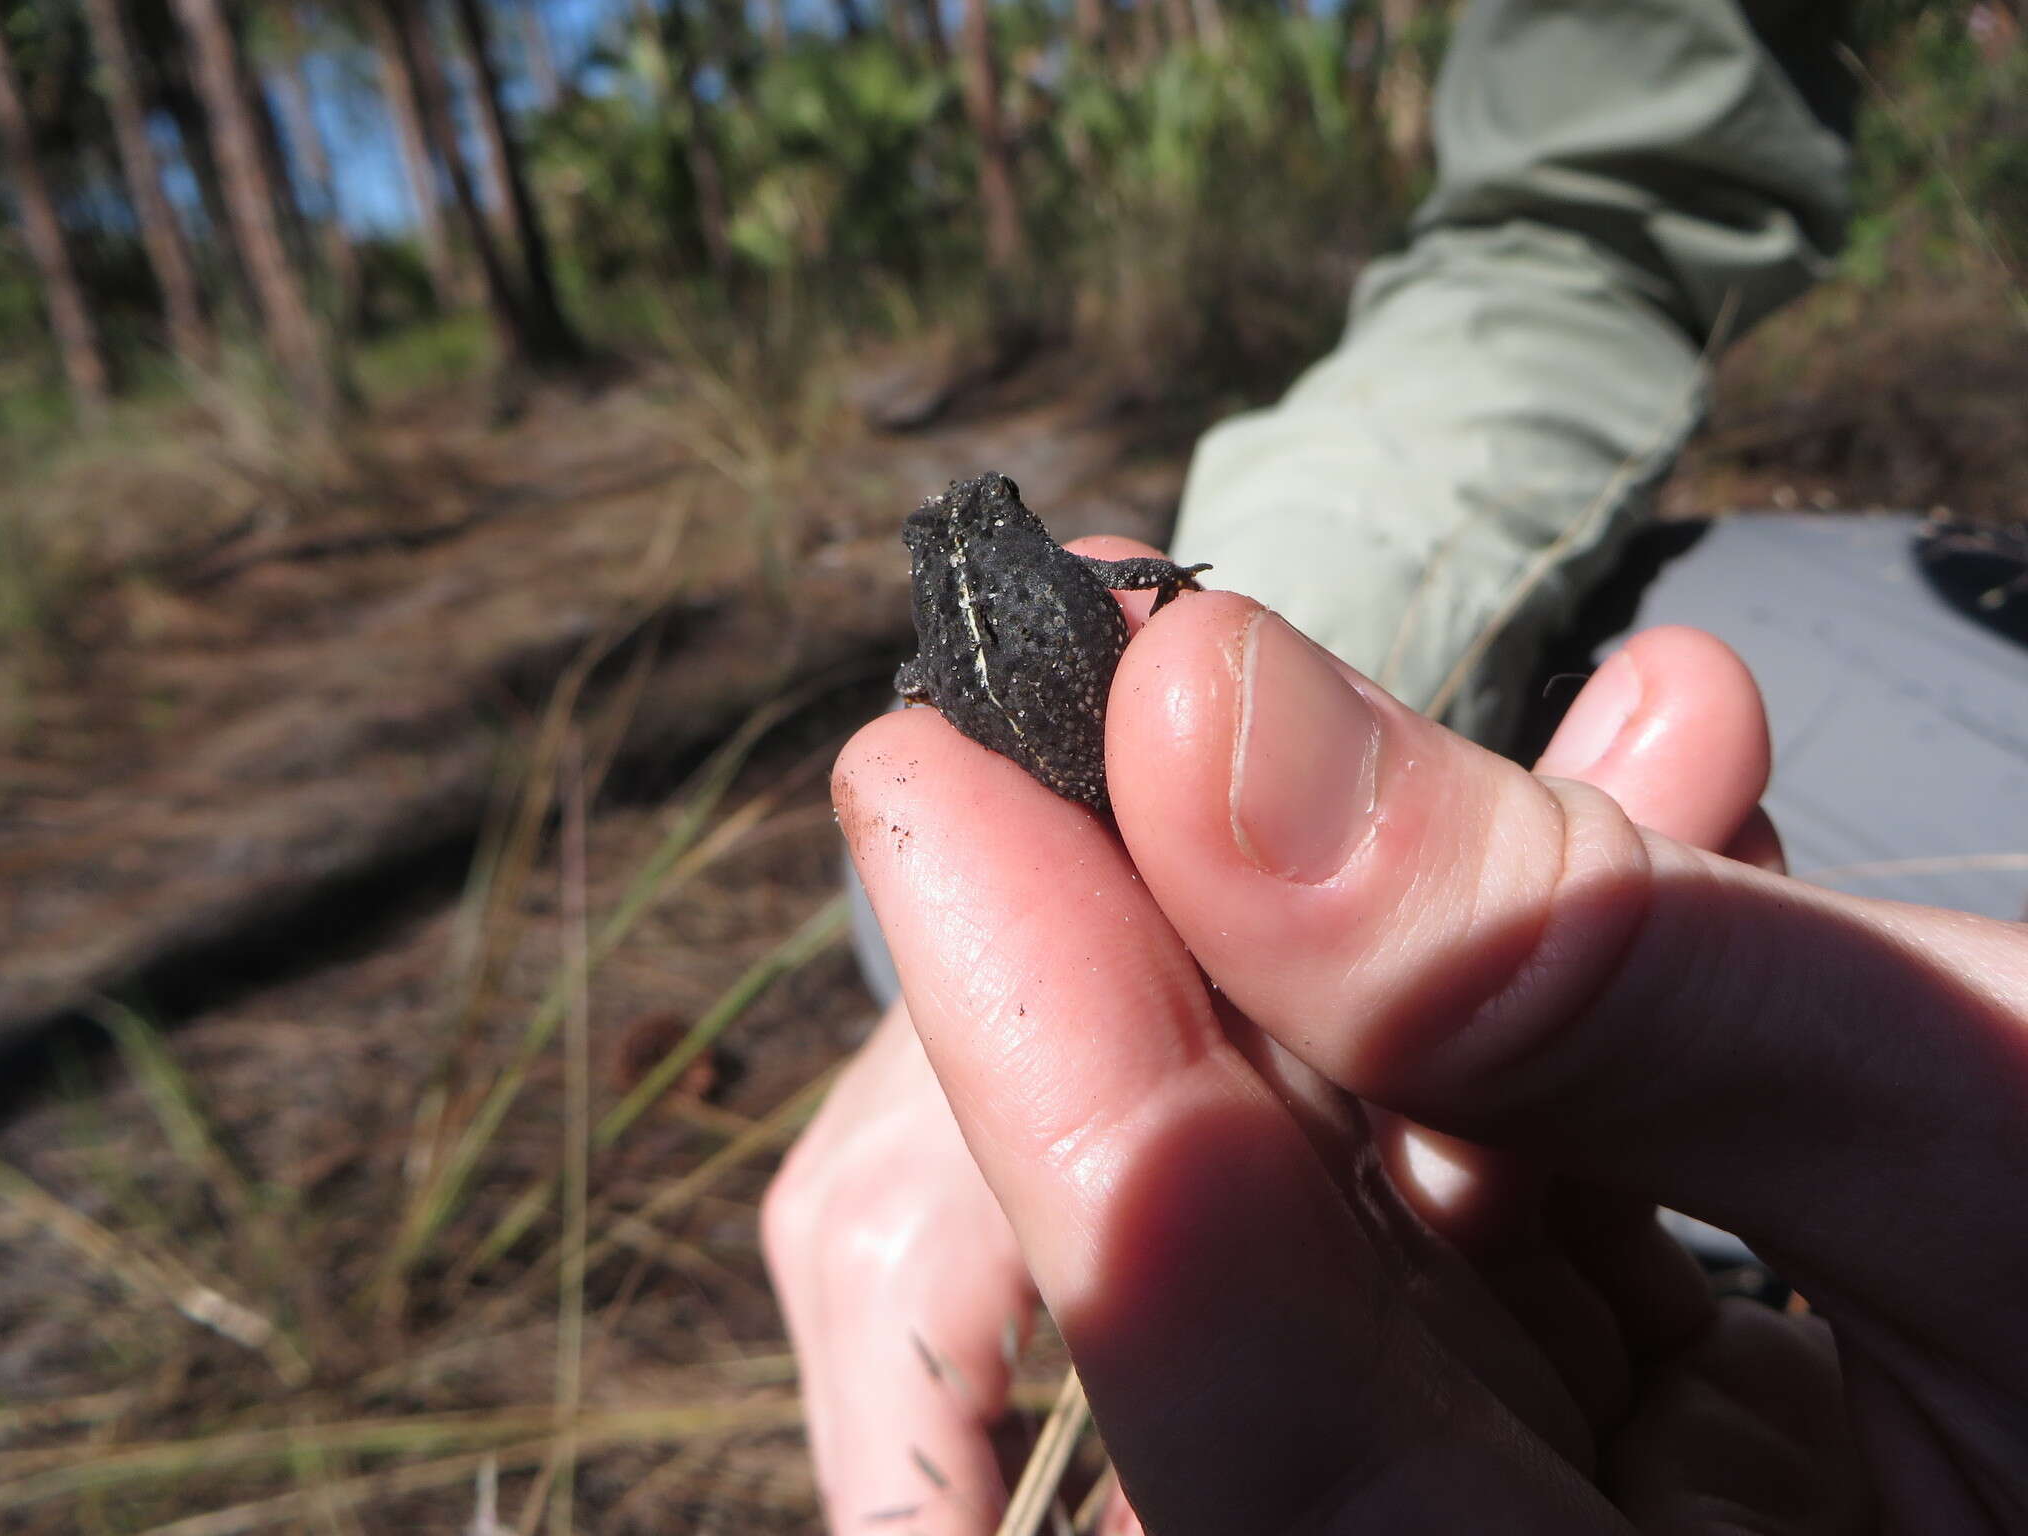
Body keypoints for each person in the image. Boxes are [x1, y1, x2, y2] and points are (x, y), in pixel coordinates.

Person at [765, 0, 2028, 1530]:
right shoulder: (985, 598)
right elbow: (1573, 222)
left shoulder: (970, 608)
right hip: (1092, 757)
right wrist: (1233, 621)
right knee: (902, 900)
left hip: (1109, 741)